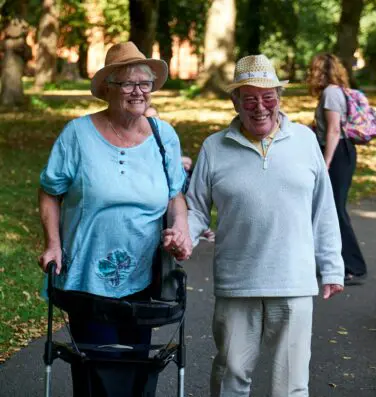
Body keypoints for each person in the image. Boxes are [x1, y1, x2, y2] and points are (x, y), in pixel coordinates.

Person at [38, 41, 192, 396]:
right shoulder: (77, 135)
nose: (138, 92)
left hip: (144, 279)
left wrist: (180, 228)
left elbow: (174, 195)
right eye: (128, 83)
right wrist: (53, 243)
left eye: (145, 83)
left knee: (137, 369)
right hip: (86, 276)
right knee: (100, 373)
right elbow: (50, 190)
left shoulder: (162, 136)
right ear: (108, 87)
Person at [186, 54, 345, 397]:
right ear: (236, 102)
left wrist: (332, 267)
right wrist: (184, 236)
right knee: (231, 375)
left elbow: (324, 208)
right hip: (237, 282)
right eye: (250, 99)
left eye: (268, 97)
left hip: (293, 281)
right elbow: (196, 208)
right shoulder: (214, 148)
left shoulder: (304, 141)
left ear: (279, 99)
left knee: (291, 385)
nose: (260, 107)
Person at [307, 53, 367, 285]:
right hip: (338, 151)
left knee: (336, 211)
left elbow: (334, 130)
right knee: (328, 209)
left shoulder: (331, 93)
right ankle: (333, 263)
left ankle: (354, 266)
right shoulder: (333, 92)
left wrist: (326, 162)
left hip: (338, 154)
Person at [145, 105, 215, 243]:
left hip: (174, 199)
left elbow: (176, 180)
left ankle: (192, 229)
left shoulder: (166, 139)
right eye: (147, 119)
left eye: (155, 118)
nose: (152, 122)